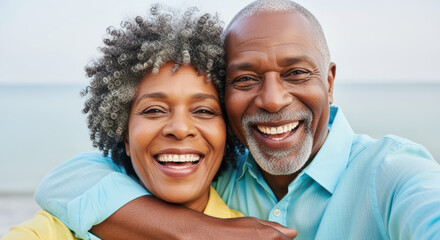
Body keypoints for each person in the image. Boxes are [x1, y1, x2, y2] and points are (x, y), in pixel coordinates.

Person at [34, 0, 440, 239]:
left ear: (330, 82)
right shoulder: (220, 172)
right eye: (245, 79)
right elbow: (66, 181)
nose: (273, 99)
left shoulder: (392, 175)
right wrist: (205, 232)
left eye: (296, 73)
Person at [3, 5, 299, 240]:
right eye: (154, 110)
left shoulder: (253, 234)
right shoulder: (56, 230)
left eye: (205, 111)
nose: (180, 128)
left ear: (227, 134)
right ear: (125, 136)